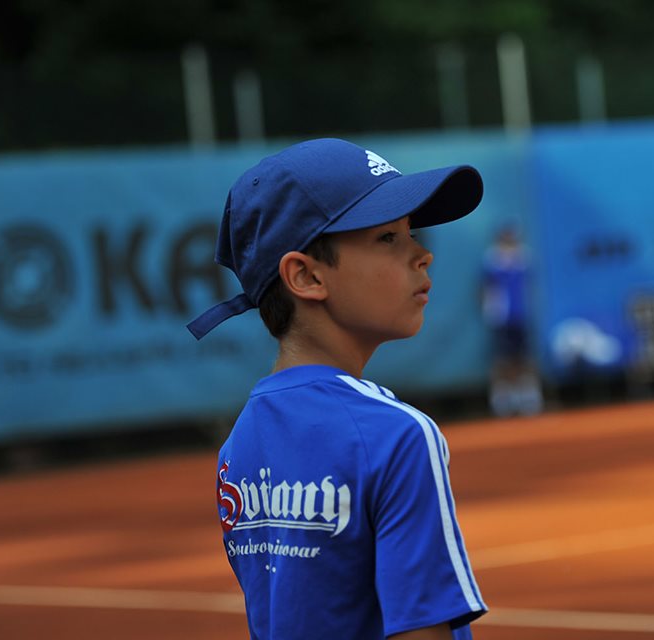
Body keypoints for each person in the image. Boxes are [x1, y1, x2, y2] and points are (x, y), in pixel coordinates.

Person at [187, 138, 487, 639]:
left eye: (411, 233)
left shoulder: (238, 445)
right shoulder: (397, 435)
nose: (423, 255)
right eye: (388, 238)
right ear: (305, 276)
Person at [480, 225, 543, 416]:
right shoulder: (491, 260)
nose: (510, 239)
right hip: (500, 318)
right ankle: (502, 398)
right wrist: (488, 311)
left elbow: (528, 287)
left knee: (525, 356)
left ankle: (528, 396)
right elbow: (483, 288)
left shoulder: (524, 257)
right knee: (501, 358)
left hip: (521, 316)